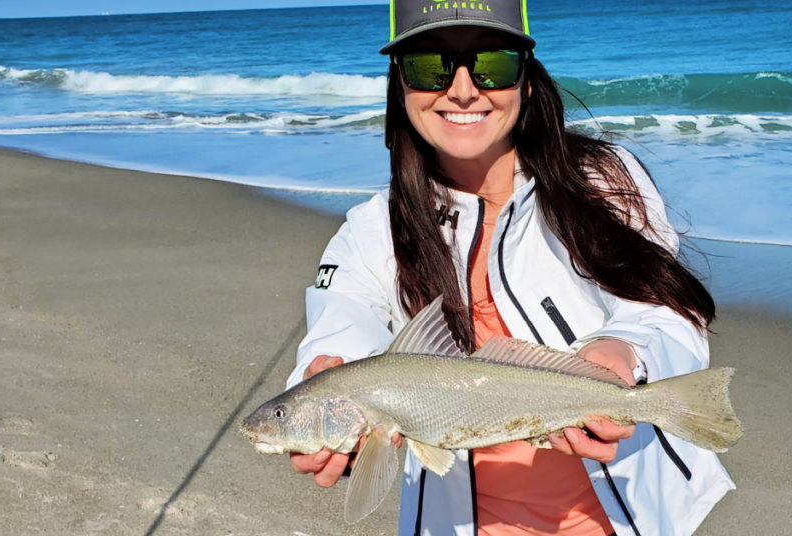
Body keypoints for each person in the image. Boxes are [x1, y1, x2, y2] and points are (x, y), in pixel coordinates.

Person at [286, 1, 734, 534]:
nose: (462, 90)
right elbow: (341, 325)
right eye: (429, 66)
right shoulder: (371, 229)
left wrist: (624, 352)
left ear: (526, 80)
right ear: (399, 85)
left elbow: (667, 311)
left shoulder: (603, 179)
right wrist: (322, 399)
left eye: (492, 64)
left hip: (628, 518)